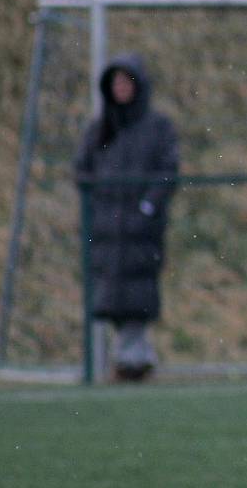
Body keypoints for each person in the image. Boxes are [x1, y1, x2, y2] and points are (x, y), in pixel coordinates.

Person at [75, 53, 179, 382]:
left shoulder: (157, 127)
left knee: (137, 296)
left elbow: (168, 170)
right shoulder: (99, 128)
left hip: (140, 230)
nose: (121, 88)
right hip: (107, 230)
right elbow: (82, 170)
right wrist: (98, 208)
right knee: (111, 297)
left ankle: (132, 359)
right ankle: (132, 357)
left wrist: (147, 207)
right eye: (116, 82)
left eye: (126, 81)